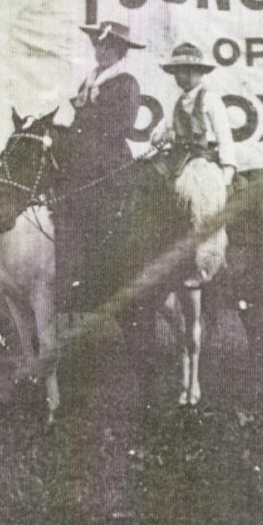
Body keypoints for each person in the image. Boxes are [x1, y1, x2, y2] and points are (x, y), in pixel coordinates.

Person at [54, 20, 145, 310]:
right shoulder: (90, 80)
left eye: (108, 47)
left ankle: (107, 278)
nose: (101, 51)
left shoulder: (126, 82)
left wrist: (90, 129)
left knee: (103, 214)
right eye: (99, 46)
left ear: (120, 52)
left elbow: (123, 123)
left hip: (109, 159)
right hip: (83, 157)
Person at [150, 42, 237, 185]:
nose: (180, 76)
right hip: (177, 159)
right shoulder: (174, 103)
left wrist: (227, 172)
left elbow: (224, 137)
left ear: (199, 73)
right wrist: (163, 136)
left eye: (185, 71)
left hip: (203, 161)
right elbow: (155, 135)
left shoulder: (211, 100)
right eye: (177, 72)